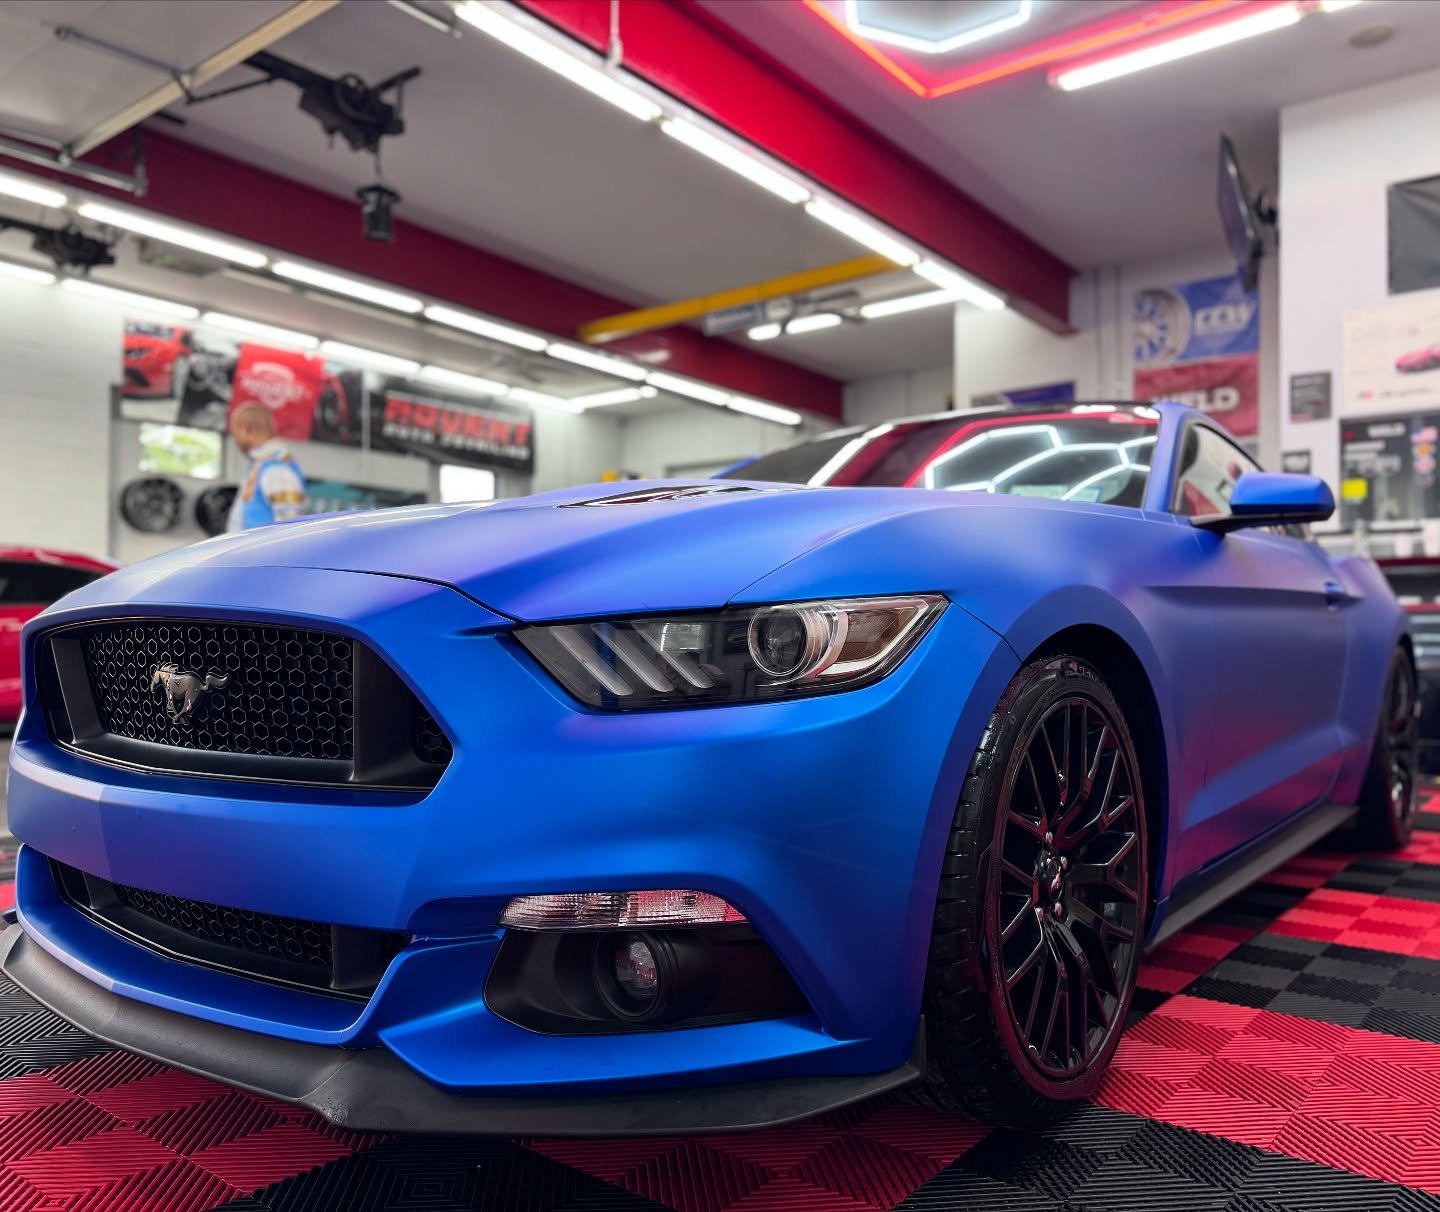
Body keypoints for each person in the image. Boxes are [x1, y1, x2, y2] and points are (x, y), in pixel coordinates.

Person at [226, 404, 308, 531]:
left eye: (235, 433)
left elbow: (289, 525)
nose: (235, 440)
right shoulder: (261, 464)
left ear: (245, 429)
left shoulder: (277, 468)